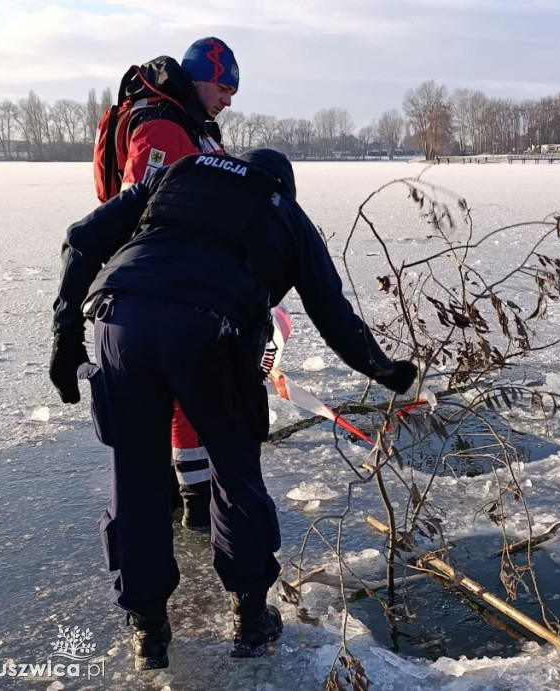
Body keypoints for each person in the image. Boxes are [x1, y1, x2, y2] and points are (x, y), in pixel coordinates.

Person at [48, 148, 416, 670]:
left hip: (121, 320)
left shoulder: (174, 175)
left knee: (136, 476)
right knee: (234, 472)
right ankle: (250, 617)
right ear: (283, 184)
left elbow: (82, 238)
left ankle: (148, 630)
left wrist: (65, 335)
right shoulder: (286, 212)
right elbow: (332, 312)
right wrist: (386, 371)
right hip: (211, 332)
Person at [107, 36, 241, 531]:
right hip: (164, 285)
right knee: (185, 389)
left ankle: (177, 490)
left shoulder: (191, 124)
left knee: (181, 391)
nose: (227, 100)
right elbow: (138, 211)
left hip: (184, 278)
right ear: (201, 77)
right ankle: (196, 499)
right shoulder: (164, 126)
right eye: (223, 88)